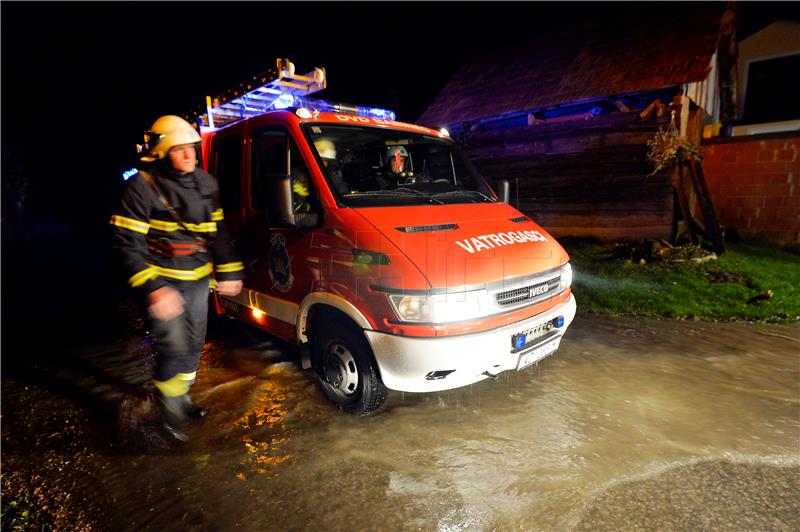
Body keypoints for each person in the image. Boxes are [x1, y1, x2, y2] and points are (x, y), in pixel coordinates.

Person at [110, 115, 245, 442]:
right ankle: (166, 412)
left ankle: (181, 399)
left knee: (194, 344)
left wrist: (228, 270)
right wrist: (154, 289)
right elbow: (126, 243)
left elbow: (219, 232)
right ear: (162, 153)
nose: (189, 155)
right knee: (172, 347)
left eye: (192, 148)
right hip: (162, 283)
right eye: (178, 149)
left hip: (197, 280)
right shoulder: (142, 187)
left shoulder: (206, 184)